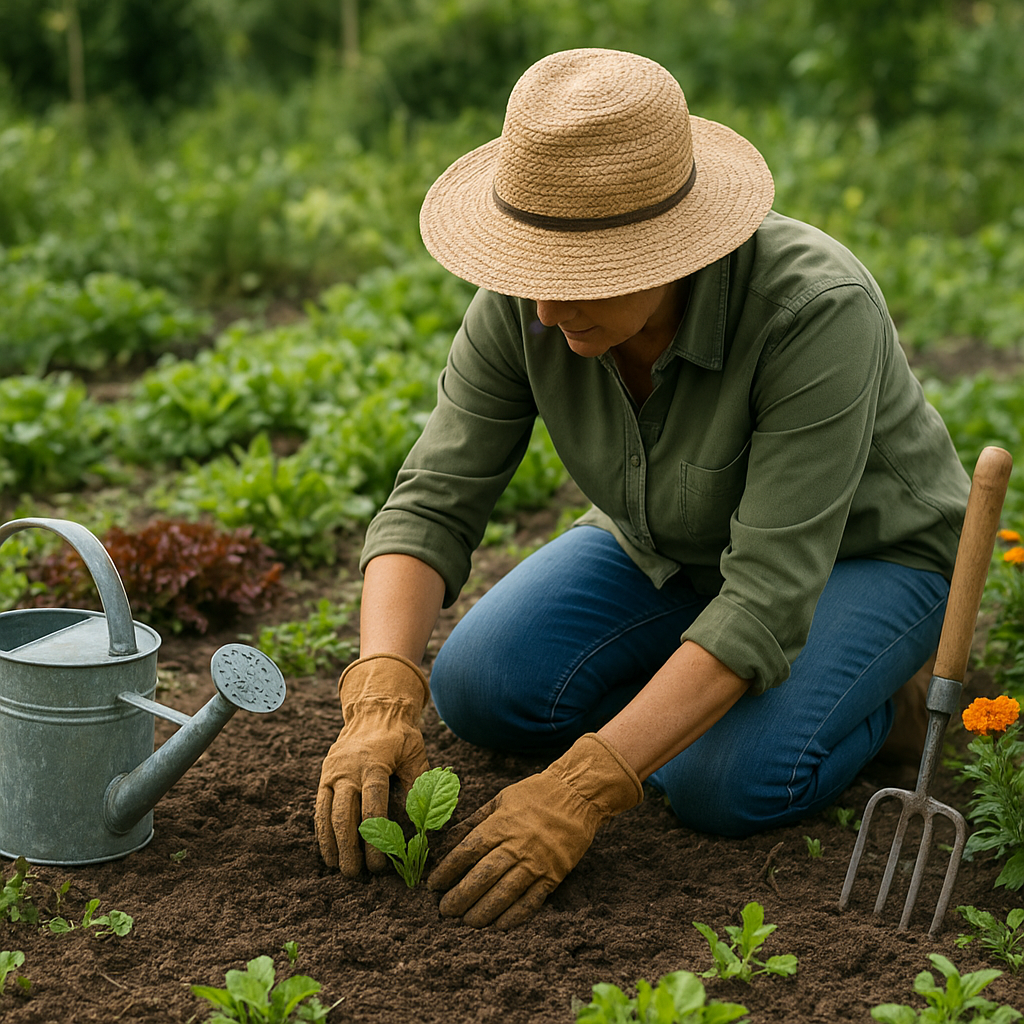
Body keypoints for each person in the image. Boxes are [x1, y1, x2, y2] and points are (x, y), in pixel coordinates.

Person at [314, 48, 971, 930]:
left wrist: (588, 784)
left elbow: (772, 592)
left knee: (722, 783)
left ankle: (880, 693)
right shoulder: (528, 303)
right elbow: (435, 497)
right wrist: (382, 690)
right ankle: (692, 701)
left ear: (677, 247)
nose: (543, 314)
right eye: (530, 273)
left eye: (580, 279)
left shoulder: (813, 310)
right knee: (478, 684)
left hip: (866, 558)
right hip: (672, 545)